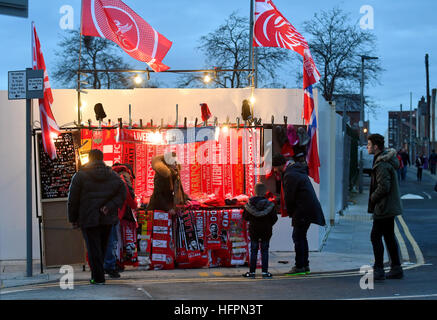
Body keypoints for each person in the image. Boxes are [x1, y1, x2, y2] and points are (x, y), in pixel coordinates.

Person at [68, 149, 126, 285]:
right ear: (102, 158)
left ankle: (98, 277)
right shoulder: (112, 175)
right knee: (102, 247)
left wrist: (73, 219)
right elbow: (123, 192)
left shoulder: (80, 176)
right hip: (107, 218)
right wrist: (110, 205)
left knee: (93, 248)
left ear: (89, 158)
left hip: (88, 218)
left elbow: (73, 200)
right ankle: (99, 276)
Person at [272, 151, 326, 276]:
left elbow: (290, 197)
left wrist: (288, 211)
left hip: (302, 210)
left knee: (297, 237)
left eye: (275, 167)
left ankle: (299, 266)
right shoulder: (294, 171)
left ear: (280, 165)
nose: (274, 170)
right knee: (301, 237)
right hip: (306, 209)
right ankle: (305, 265)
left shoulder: (290, 175)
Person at [367, 134, 404, 280]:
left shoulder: (381, 164)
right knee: (388, 236)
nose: (368, 147)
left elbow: (384, 187)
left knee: (375, 236)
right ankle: (396, 268)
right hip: (388, 206)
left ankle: (379, 269)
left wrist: (372, 198)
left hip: (384, 207)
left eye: (369, 144)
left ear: (376, 147)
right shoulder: (382, 160)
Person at [103, 163, 137, 278]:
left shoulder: (109, 175)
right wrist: (134, 204)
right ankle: (115, 264)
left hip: (107, 211)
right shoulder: (124, 175)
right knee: (116, 240)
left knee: (108, 239)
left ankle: (108, 264)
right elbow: (128, 193)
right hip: (119, 212)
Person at [242, 183, 278, 279]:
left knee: (253, 250)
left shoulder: (249, 205)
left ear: (255, 191)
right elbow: (274, 218)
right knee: (264, 250)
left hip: (254, 229)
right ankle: (265, 273)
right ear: (265, 192)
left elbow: (245, 217)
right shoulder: (270, 205)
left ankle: (252, 272)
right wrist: (269, 224)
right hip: (266, 230)